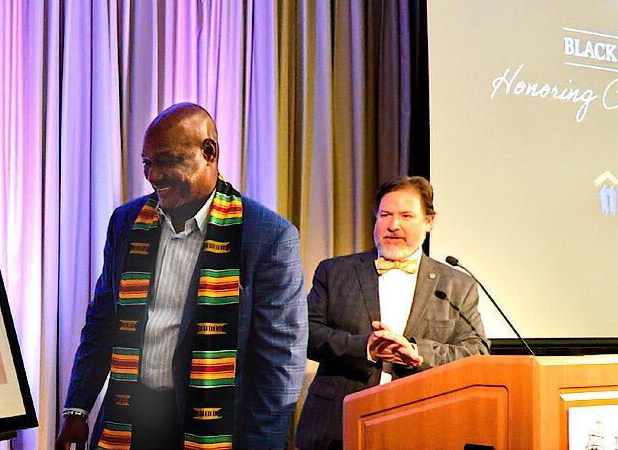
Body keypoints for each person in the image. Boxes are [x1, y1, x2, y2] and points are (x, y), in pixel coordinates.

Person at [55, 103, 306, 449]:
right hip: (130, 417)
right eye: (147, 163)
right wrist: (77, 408)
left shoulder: (268, 236)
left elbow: (280, 366)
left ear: (209, 152)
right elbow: (102, 322)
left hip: (211, 426)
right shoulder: (126, 222)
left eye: (167, 161)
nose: (153, 176)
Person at [293, 176, 489, 450]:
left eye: (406, 216)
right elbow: (306, 332)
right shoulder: (335, 272)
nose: (393, 225)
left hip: (425, 424)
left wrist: (418, 353)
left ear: (429, 222)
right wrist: (366, 348)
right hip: (338, 426)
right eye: (386, 214)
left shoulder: (456, 284)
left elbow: (476, 351)